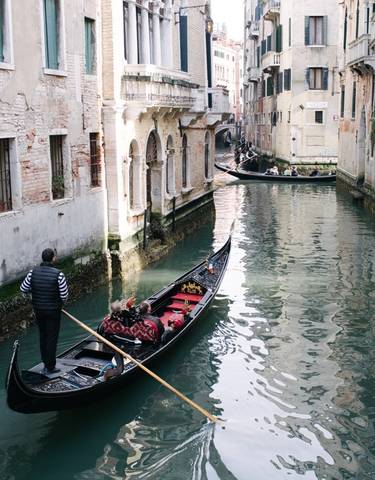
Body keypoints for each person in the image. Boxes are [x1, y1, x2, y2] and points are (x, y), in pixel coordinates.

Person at [20, 248, 68, 375]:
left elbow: (23, 288)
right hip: (53, 311)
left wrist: (35, 292)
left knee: (43, 335)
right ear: (53, 258)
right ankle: (50, 366)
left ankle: (45, 363)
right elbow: (64, 295)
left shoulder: (32, 272)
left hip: (39, 310)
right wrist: (61, 304)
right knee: (52, 337)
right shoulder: (59, 274)